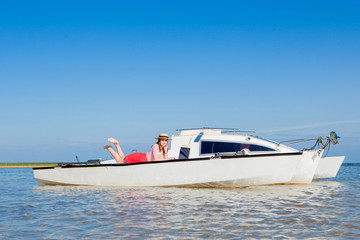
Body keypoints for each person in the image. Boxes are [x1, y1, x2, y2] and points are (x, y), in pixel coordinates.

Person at [104, 133, 174, 164]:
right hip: (140, 158)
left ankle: (117, 144)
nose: (164, 142)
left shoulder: (163, 148)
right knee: (120, 162)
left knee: (122, 158)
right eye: (162, 140)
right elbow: (156, 159)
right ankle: (109, 148)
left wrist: (165, 152)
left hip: (143, 158)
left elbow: (165, 161)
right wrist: (168, 158)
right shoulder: (156, 146)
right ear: (159, 140)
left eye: (165, 140)